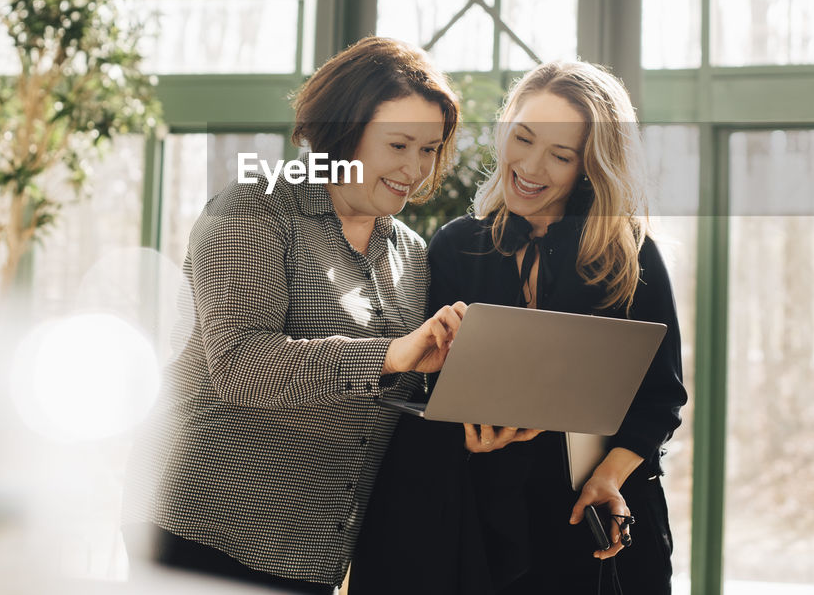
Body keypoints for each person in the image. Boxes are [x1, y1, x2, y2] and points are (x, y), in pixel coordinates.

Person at [122, 36, 467, 593]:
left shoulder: (411, 254)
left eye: (429, 150)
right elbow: (240, 365)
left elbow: (393, 393)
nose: (416, 170)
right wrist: (391, 354)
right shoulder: (253, 209)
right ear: (344, 131)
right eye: (399, 144)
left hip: (310, 549)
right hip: (204, 527)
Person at [350, 61, 687, 595]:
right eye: (523, 139)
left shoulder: (630, 257)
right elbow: (425, 388)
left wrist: (609, 476)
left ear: (590, 166)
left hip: (592, 517)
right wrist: (463, 436)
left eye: (560, 155)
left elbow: (661, 400)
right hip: (483, 520)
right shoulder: (455, 246)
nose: (531, 166)